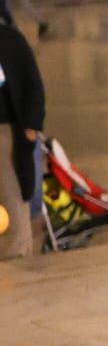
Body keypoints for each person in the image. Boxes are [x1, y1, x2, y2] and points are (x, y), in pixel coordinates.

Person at [0, 19, 45, 260]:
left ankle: (17, 254)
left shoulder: (9, 40)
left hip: (5, 133)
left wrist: (31, 127)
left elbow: (31, 84)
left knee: (12, 195)